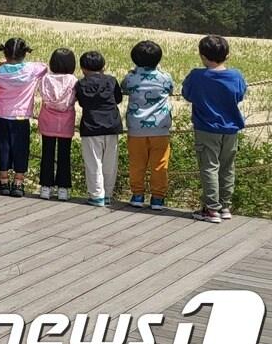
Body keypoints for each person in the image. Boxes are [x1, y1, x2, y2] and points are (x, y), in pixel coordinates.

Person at [183, 35, 248, 223]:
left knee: (209, 167)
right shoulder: (236, 76)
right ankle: (225, 206)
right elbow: (240, 95)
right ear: (227, 55)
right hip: (231, 128)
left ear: (202, 56)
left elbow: (187, 94)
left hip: (206, 128)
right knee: (227, 167)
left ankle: (211, 209)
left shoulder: (197, 76)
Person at [0, 38, 47, 198]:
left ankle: (4, 181)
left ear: (4, 53)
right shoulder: (32, 69)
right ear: (25, 53)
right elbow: (44, 67)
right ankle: (18, 183)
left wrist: (2, 66)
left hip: (3, 115)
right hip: (22, 116)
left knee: (3, 147)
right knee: (21, 148)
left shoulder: (0, 72)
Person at [122, 40, 174, 211]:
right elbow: (170, 88)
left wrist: (134, 71)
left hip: (136, 129)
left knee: (137, 164)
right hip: (160, 129)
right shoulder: (165, 77)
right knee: (159, 165)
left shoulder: (131, 78)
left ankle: (137, 195)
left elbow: (124, 87)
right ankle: (158, 198)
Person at [75, 50, 123, 207]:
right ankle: (108, 194)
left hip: (91, 127)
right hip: (112, 125)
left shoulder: (81, 84)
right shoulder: (111, 81)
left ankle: (96, 195)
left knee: (93, 163)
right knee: (110, 163)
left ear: (83, 68)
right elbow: (118, 99)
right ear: (103, 66)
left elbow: (81, 102)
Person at [37, 49, 78, 201]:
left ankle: (45, 187)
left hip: (47, 120)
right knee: (64, 155)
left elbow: (42, 94)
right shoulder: (73, 80)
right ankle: (63, 188)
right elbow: (74, 98)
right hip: (66, 122)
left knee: (47, 154)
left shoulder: (46, 79)